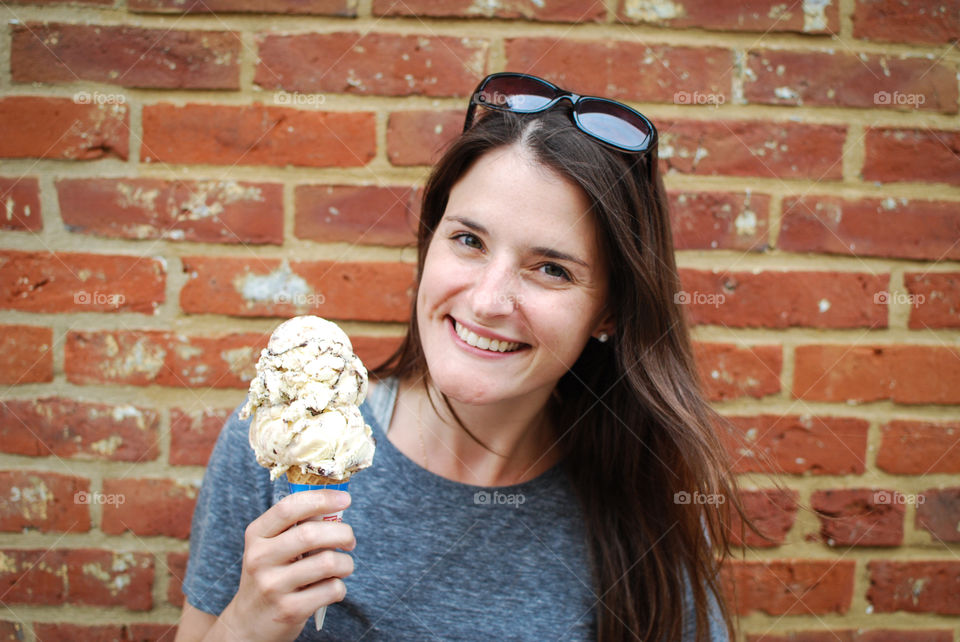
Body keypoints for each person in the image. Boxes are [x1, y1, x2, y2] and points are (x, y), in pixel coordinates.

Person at [175, 72, 743, 642]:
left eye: (551, 269)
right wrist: (247, 624)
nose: (487, 302)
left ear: (610, 312)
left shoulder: (647, 506)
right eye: (469, 240)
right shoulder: (275, 447)